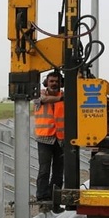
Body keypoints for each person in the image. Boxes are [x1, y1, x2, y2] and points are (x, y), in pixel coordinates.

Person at [33, 70, 64, 202]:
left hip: (61, 138)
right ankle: (42, 196)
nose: (54, 84)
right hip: (45, 138)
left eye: (57, 81)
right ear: (46, 82)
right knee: (44, 169)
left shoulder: (65, 95)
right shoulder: (39, 94)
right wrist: (61, 98)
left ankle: (55, 195)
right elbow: (44, 100)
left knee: (58, 170)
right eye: (51, 81)